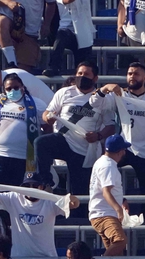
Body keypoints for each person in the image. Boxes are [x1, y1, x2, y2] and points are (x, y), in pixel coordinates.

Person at [36, 62, 115, 196]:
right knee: (41, 143)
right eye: (79, 74)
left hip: (84, 147)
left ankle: (79, 216)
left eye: (86, 74)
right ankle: (46, 183)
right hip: (63, 140)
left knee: (79, 190)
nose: (82, 76)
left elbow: (110, 126)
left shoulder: (104, 99)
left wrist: (99, 136)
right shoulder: (64, 92)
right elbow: (47, 112)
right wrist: (48, 118)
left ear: (95, 78)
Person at [0, 172, 81, 259]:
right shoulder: (14, 198)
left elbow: (75, 204)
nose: (30, 189)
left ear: (41, 187)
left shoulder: (49, 201)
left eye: (34, 186)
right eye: (27, 186)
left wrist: (71, 198)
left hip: (47, 258)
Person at [98, 62, 145, 197]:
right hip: (121, 147)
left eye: (136, 74)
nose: (132, 77)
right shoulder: (119, 95)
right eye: (130, 74)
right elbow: (95, 104)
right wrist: (106, 88)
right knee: (105, 176)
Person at [0, 72, 45, 186]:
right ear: (4, 90)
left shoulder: (37, 104)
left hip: (23, 158)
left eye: (16, 87)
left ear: (22, 87)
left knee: (19, 195)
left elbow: (47, 127)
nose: (13, 91)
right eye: (9, 88)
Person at [89, 134, 133, 256]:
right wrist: (118, 209)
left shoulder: (102, 162)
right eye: (123, 150)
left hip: (102, 213)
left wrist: (121, 200)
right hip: (105, 215)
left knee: (117, 256)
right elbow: (106, 192)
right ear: (119, 151)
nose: (124, 153)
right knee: (121, 241)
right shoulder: (108, 166)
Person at [47, 0, 94, 78]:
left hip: (84, 31)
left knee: (84, 65)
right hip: (66, 29)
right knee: (60, 38)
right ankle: (54, 67)